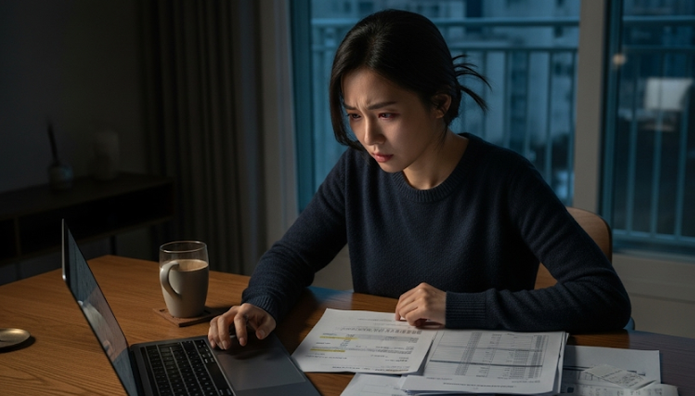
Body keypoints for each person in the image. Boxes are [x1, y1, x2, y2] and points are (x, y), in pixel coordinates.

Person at [208, 9, 631, 350]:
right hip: (384, 373)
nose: (368, 138)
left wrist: (459, 308)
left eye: (386, 114)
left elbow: (603, 296)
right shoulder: (357, 171)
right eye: (355, 115)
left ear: (440, 103)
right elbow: (292, 256)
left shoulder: (508, 179)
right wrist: (262, 304)